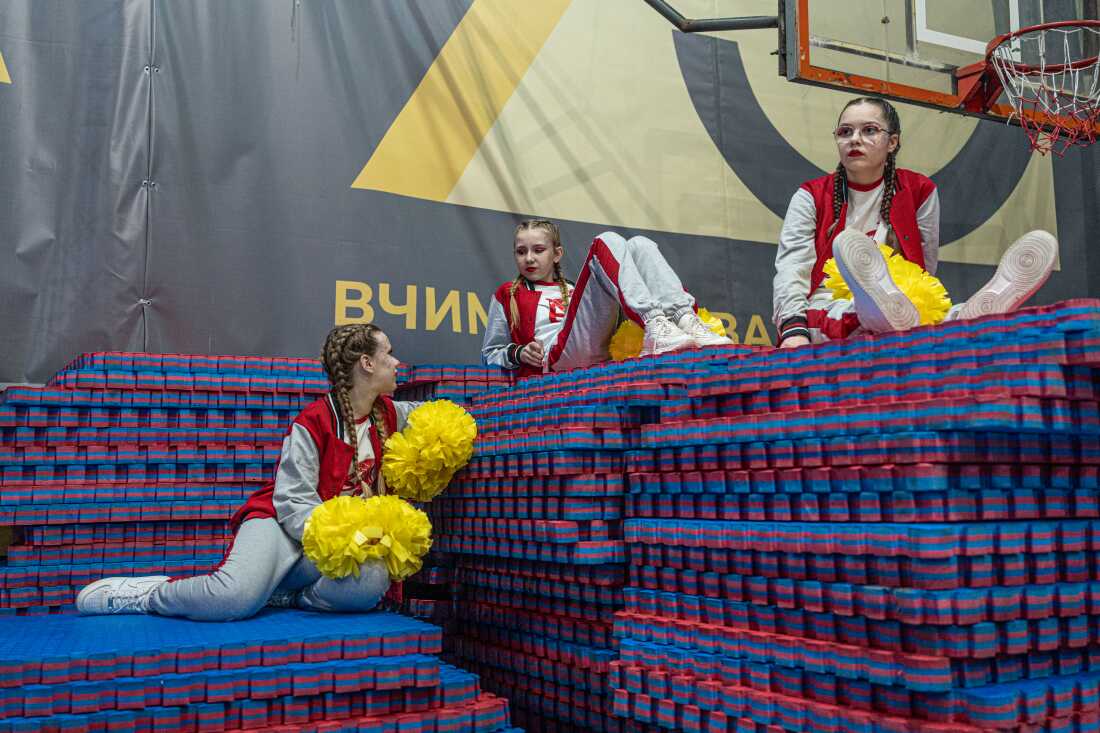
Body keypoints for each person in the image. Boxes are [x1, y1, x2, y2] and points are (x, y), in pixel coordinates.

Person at [75, 324, 421, 620]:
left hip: (329, 548)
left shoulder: (389, 414)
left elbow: (434, 415)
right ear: (367, 363)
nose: (396, 363)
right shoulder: (314, 421)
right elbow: (292, 502)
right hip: (282, 526)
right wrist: (342, 536)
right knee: (233, 600)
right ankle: (151, 596)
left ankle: (287, 597)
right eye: (388, 354)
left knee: (372, 578)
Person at [772, 96, 1058, 347]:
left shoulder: (919, 191)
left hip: (902, 302)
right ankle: (945, 320)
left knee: (923, 313)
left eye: (869, 130)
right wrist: (792, 329)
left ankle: (972, 313)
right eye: (845, 132)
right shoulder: (810, 195)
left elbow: (925, 267)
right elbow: (791, 269)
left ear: (892, 142)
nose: (854, 139)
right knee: (854, 318)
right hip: (827, 308)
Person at [482, 219, 732, 376]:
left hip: (600, 354)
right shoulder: (509, 293)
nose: (529, 258)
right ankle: (654, 323)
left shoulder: (571, 289)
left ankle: (685, 318)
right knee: (606, 242)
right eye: (520, 251)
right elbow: (489, 353)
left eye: (538, 250)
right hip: (555, 360)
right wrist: (517, 353)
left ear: (557, 254)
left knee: (640, 245)